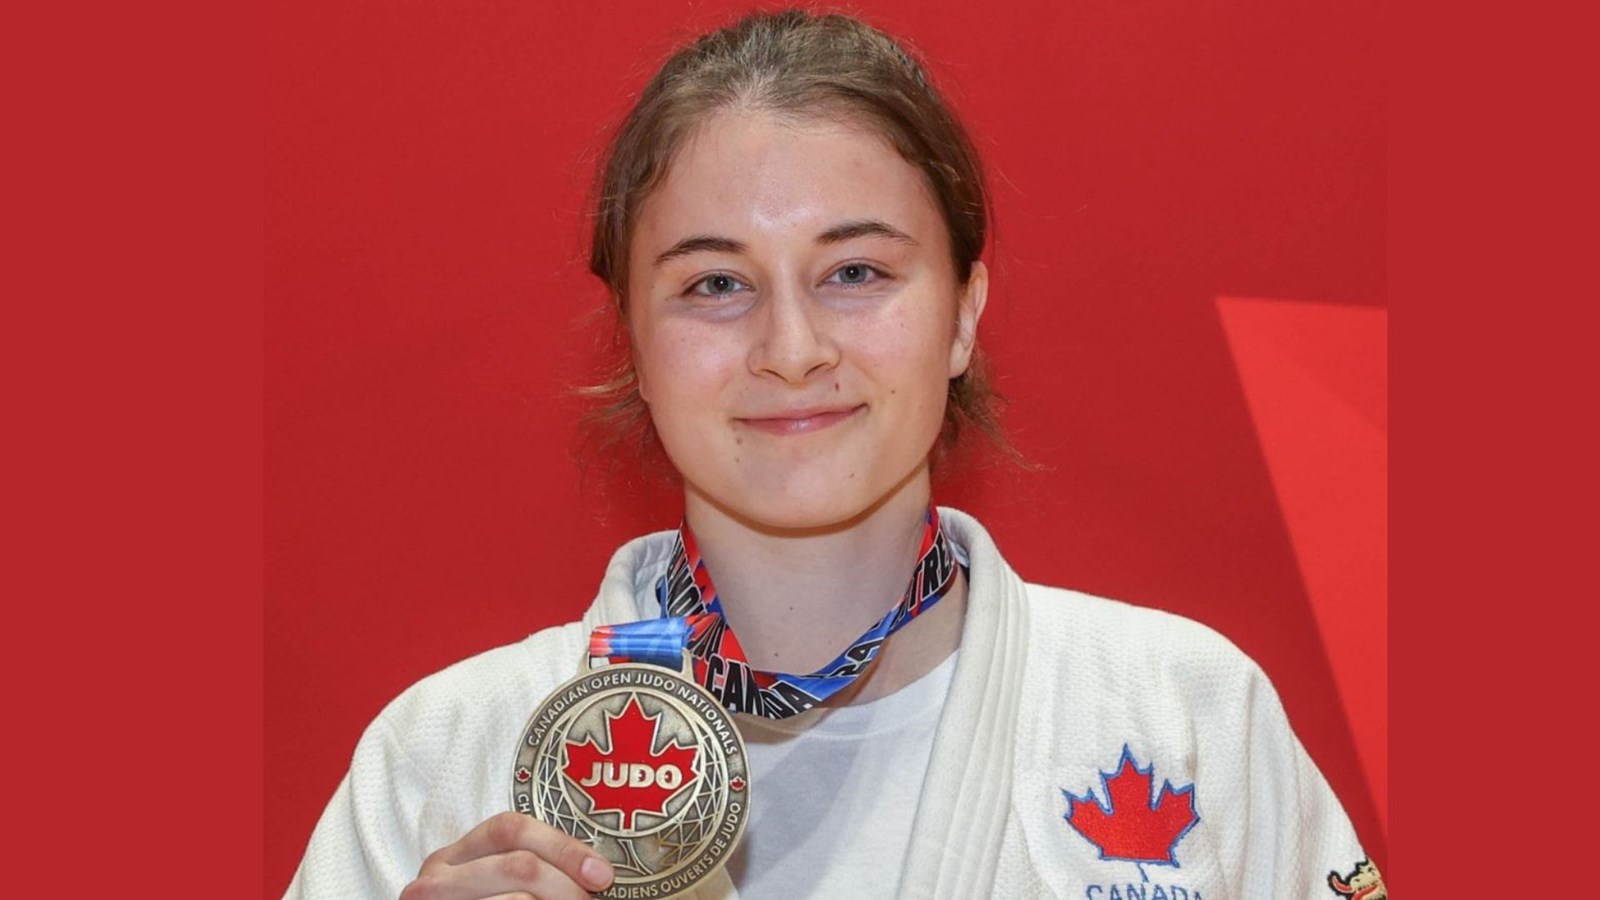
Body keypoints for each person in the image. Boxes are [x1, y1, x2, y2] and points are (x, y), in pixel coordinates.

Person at [285, 9, 1383, 900]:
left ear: (962, 315)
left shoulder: (1181, 712)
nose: (792, 349)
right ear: (633, 340)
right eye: (715, 284)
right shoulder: (448, 753)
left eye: (856, 272)